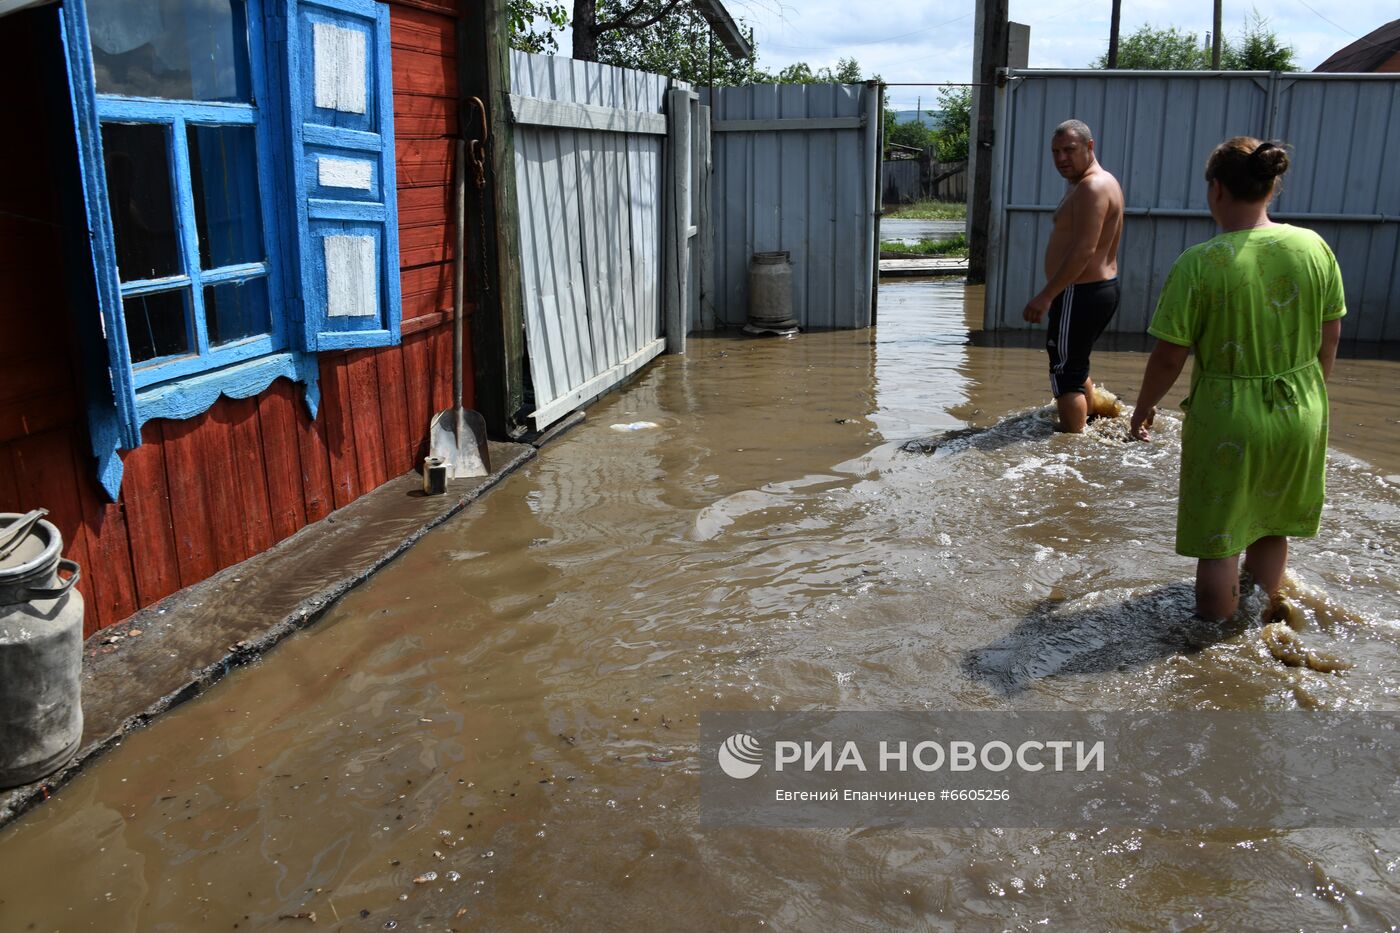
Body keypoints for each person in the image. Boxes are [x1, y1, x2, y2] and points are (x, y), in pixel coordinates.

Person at [1130, 137, 1345, 621]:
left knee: (1220, 538)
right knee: (1272, 524)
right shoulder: (1314, 247)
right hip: (1302, 407)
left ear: (1217, 190)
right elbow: (1328, 340)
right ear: (1272, 187)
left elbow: (1169, 356)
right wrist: (1309, 396)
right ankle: (1261, 623)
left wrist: (1143, 408)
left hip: (1229, 416)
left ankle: (1210, 647)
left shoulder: (1200, 263)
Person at [1021, 119, 1125, 433]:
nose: (1062, 158)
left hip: (1080, 292)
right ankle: (1093, 419)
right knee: (1074, 364)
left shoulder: (1092, 187)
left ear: (1089, 147)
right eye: (1055, 152)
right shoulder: (1097, 182)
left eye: (1070, 150)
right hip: (1092, 290)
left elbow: (1084, 251)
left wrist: (1047, 295)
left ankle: (1072, 449)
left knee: (1065, 374)